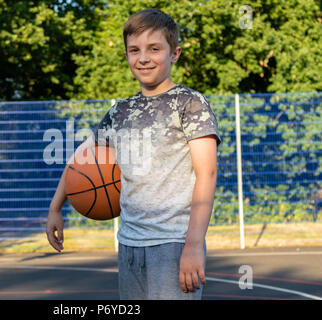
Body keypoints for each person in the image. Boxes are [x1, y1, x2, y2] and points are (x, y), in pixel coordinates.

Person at [46, 8, 221, 300]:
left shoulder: (190, 103)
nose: (143, 58)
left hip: (173, 243)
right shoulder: (120, 111)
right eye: (134, 50)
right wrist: (55, 208)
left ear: (174, 53)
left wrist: (193, 244)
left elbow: (208, 173)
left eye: (155, 49)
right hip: (128, 243)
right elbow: (81, 157)